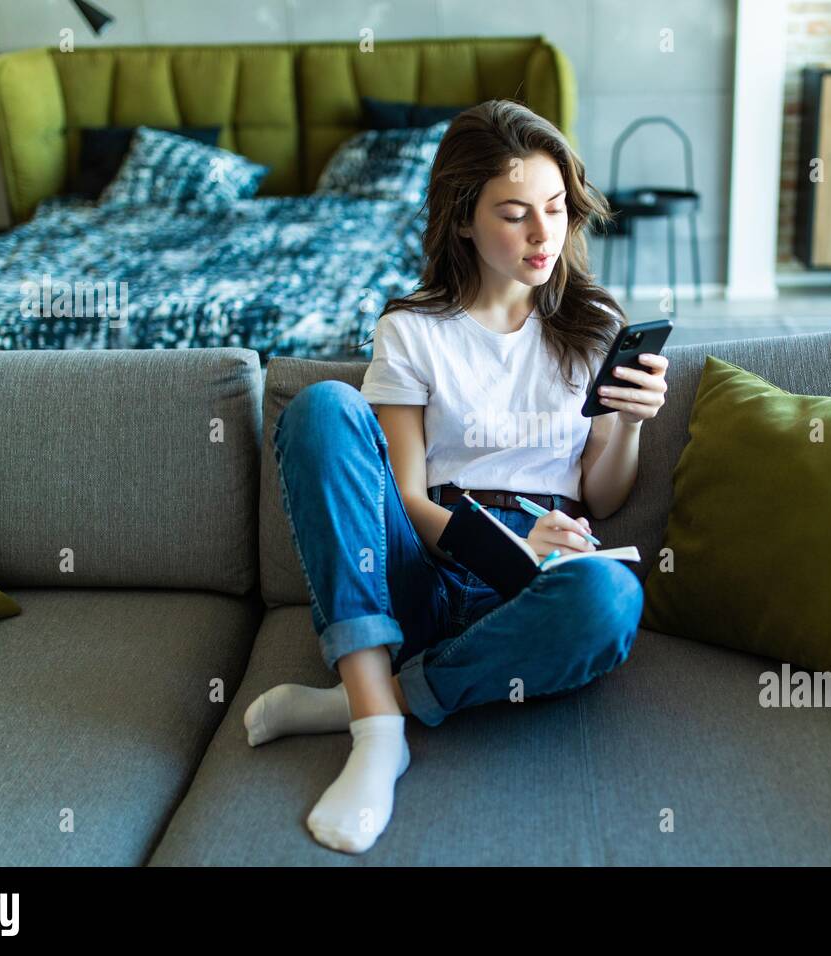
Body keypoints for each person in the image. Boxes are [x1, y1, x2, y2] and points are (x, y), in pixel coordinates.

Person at [246, 99, 670, 854]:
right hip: (427, 563)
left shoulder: (595, 324)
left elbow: (603, 495)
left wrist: (630, 422)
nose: (544, 235)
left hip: (535, 588)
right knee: (322, 409)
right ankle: (379, 736)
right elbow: (405, 498)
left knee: (610, 599)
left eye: (555, 208)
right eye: (514, 214)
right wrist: (503, 539)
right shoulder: (411, 329)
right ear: (463, 219)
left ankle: (367, 699)